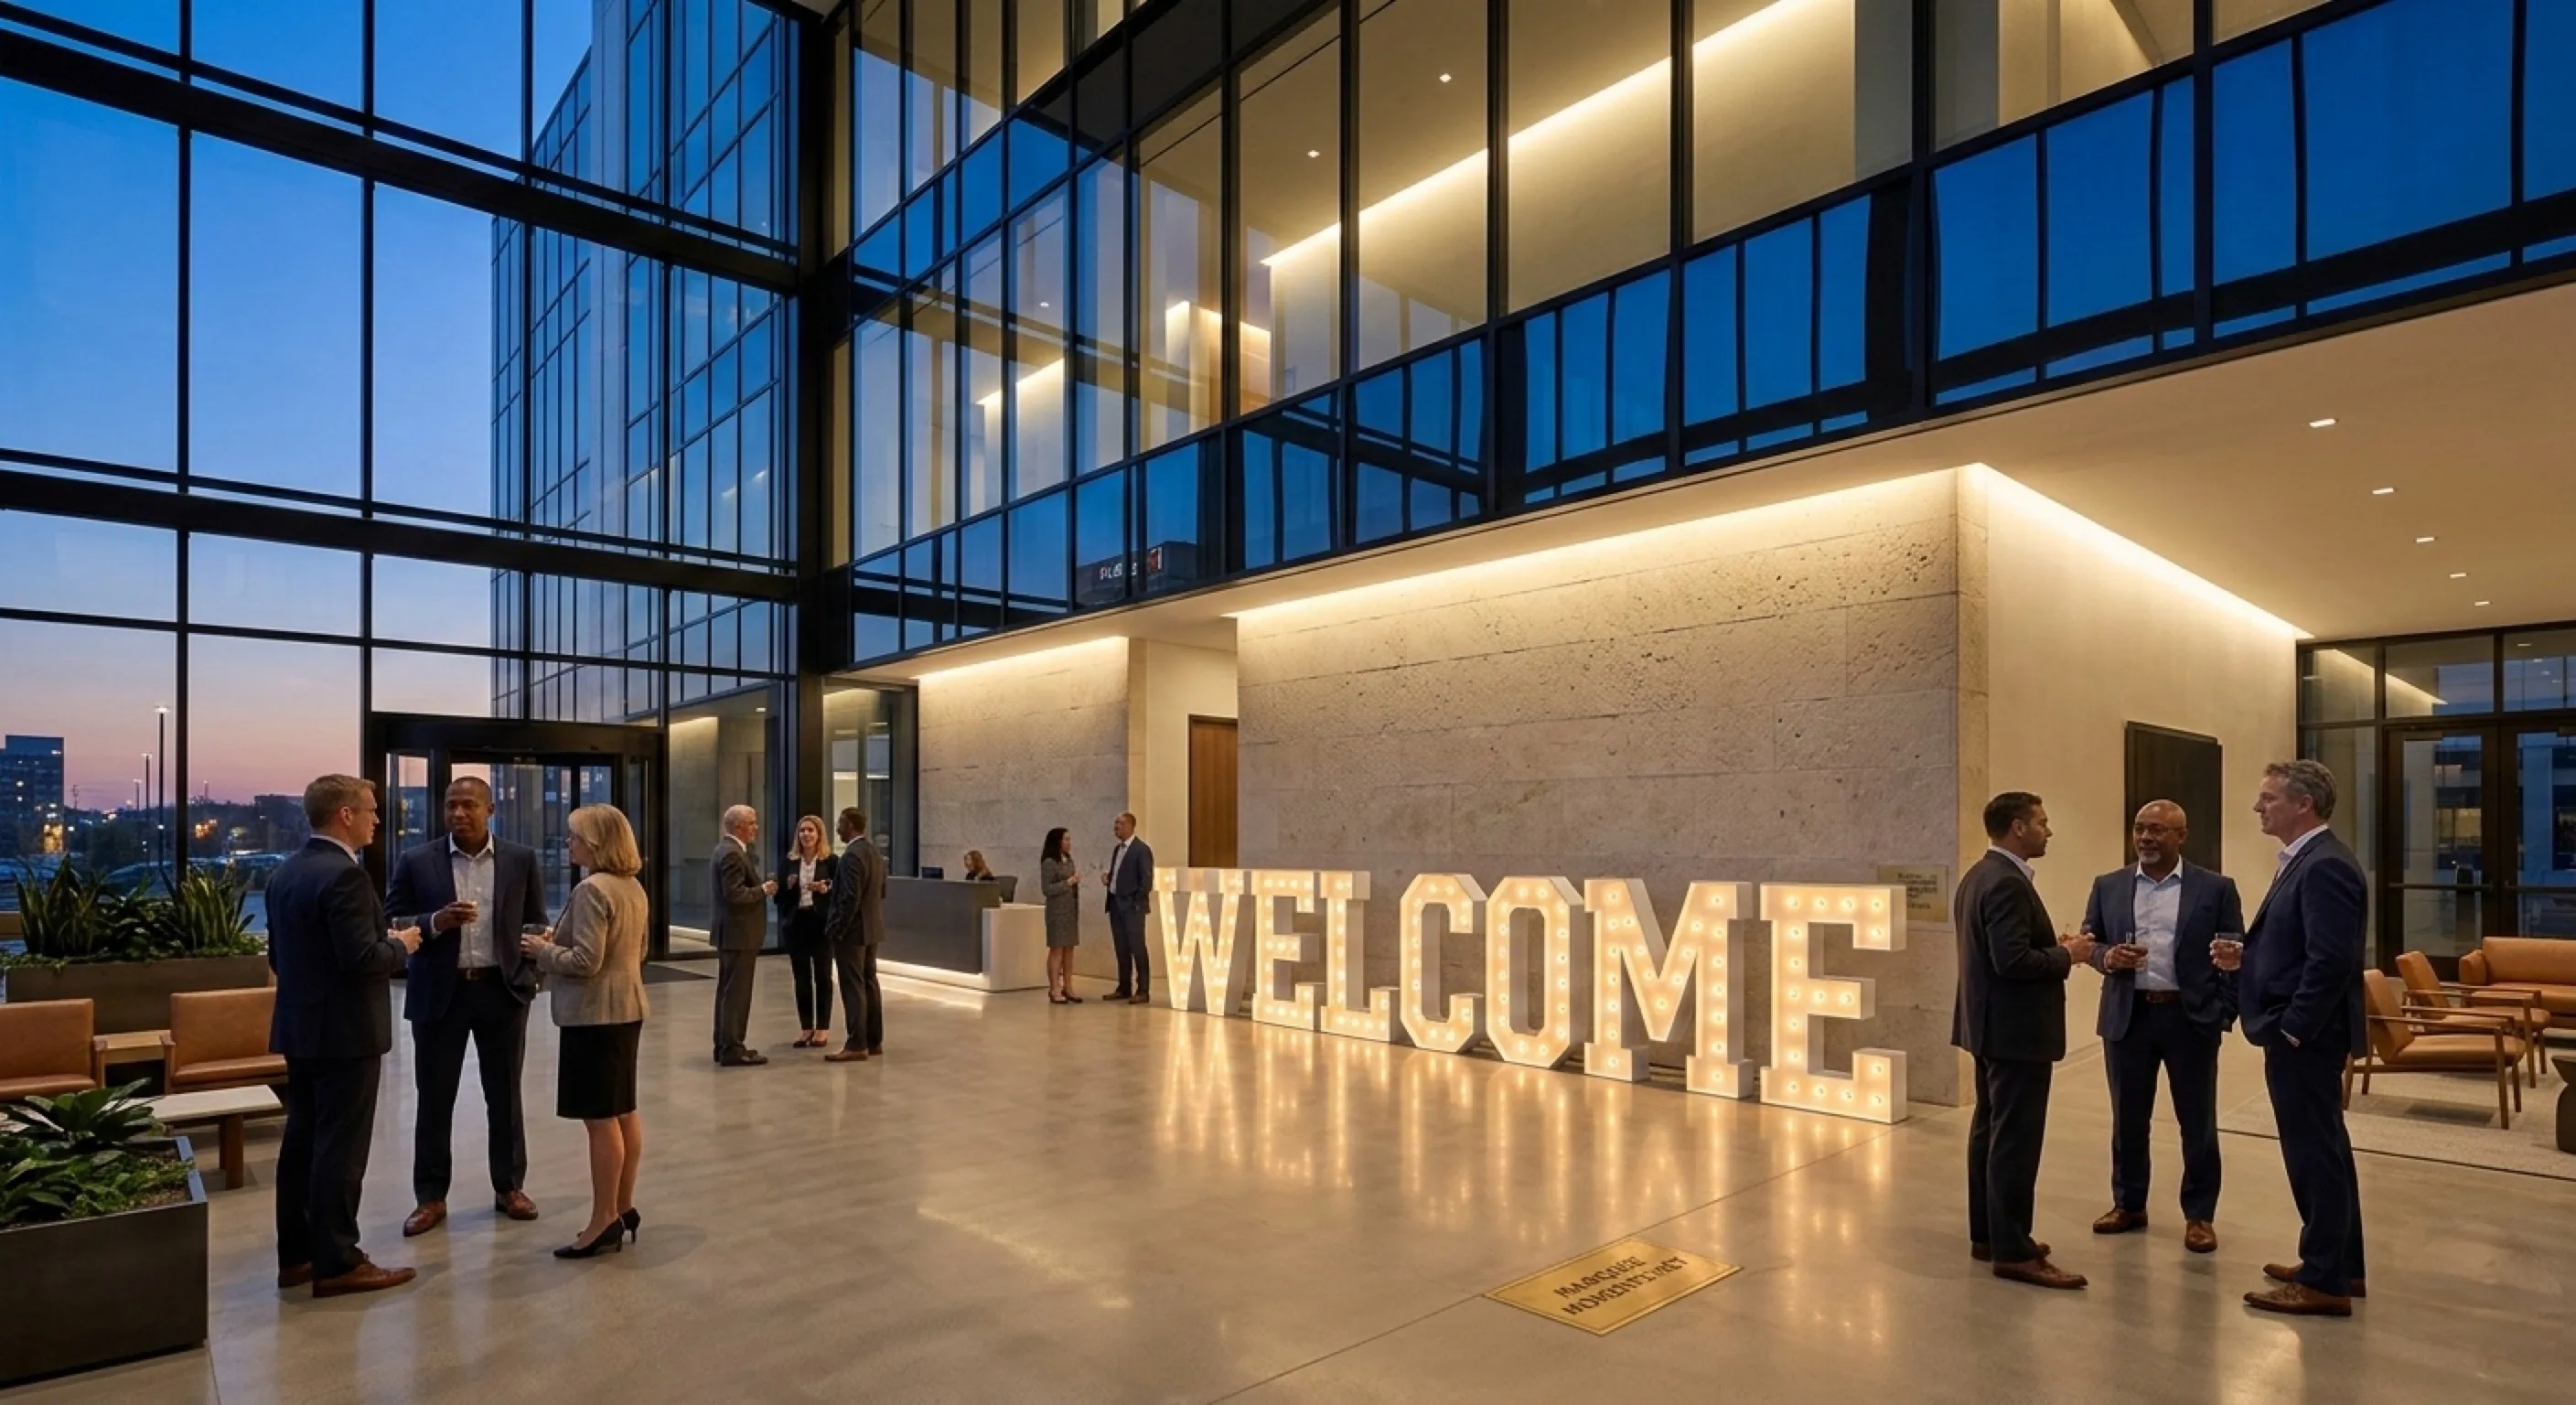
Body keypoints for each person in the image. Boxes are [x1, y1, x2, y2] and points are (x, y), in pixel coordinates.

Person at [264, 774, 423, 1298]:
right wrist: (402, 944)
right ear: (345, 815)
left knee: (303, 1142)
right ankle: (338, 1262)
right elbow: (363, 959)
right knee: (341, 1150)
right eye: (372, 810)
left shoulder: (285, 874)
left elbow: (278, 959)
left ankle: (298, 1257)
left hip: (300, 1030)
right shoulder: (346, 878)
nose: (379, 819)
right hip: (347, 1036)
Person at [2232, 759, 2369, 1317]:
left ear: (2302, 805)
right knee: (2325, 1149)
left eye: (2268, 798)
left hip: (2306, 1038)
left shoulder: (2324, 865)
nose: (2258, 807)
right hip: (2304, 1032)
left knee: (2314, 1153)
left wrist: (2293, 1029)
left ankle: (2324, 1281)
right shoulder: (2307, 859)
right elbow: (2298, 947)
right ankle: (2340, 1264)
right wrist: (2248, 958)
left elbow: (2330, 961)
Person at [386, 776, 549, 1239]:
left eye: (469, 805)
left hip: (501, 991)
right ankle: (430, 1197)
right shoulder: (417, 861)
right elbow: (390, 919)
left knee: (505, 1096)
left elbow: (537, 920)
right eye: (451, 805)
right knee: (435, 1099)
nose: (459, 813)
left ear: (490, 809)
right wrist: (434, 922)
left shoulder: (520, 859)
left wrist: (529, 976)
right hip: (441, 993)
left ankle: (509, 1187)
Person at [2079, 800, 2244, 1255]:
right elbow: (2089, 942)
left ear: (2181, 836)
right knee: (2128, 1118)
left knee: (2197, 1121)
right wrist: (2105, 958)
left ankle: (2199, 1215)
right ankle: (2129, 1203)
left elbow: (2233, 951)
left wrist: (2223, 1014)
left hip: (2189, 1018)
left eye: (2157, 830)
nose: (2146, 838)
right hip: (2128, 1016)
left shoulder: (2215, 888)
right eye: (2139, 829)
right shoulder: (2108, 885)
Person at [1951, 790, 2094, 1290]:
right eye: (2042, 822)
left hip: (1991, 1028)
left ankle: (1989, 1235)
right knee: (2014, 1140)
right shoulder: (2007, 883)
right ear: (2017, 828)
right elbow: (2012, 961)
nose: (2048, 831)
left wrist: (2053, 948)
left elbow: (1999, 954)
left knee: (1990, 1132)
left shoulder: (1978, 875)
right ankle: (2013, 1250)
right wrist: (2068, 955)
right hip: (2017, 1034)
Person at [520, 804, 650, 1260]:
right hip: (626, 1008)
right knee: (623, 1111)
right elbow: (639, 951)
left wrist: (543, 951)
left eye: (574, 837)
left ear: (594, 843)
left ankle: (602, 1221)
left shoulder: (592, 889)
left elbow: (584, 962)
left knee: (600, 1121)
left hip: (594, 1016)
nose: (568, 844)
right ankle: (622, 1205)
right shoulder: (632, 887)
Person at [710, 805, 775, 1067]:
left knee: (728, 992)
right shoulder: (733, 854)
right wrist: (763, 890)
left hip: (732, 933)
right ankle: (732, 1048)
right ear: (739, 826)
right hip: (739, 933)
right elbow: (735, 895)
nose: (756, 828)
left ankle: (726, 1044)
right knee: (737, 993)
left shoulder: (724, 850)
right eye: (752, 823)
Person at [824, 808, 886, 1063]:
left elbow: (850, 898)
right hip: (871, 929)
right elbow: (881, 892)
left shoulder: (851, 856)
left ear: (850, 826)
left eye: (840, 823)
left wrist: (837, 928)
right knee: (869, 983)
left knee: (853, 986)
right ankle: (873, 1041)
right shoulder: (874, 853)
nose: (837, 828)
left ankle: (856, 1043)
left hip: (852, 932)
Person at [777, 814, 837, 1048]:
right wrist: (788, 887)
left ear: (819, 834)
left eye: (811, 830)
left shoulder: (831, 861)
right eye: (802, 831)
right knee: (801, 977)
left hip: (820, 923)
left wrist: (825, 889)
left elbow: (839, 891)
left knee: (823, 976)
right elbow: (779, 898)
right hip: (796, 923)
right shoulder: (789, 861)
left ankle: (823, 1027)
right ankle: (806, 1028)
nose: (806, 835)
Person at [1101, 811, 1155, 1004]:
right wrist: (1109, 880)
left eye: (1121, 824)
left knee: (1137, 947)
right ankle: (1124, 987)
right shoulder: (1118, 850)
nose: (1117, 828)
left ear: (1132, 826)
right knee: (1121, 948)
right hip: (1115, 904)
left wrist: (1136, 901)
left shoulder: (1141, 850)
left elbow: (1146, 880)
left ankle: (1143, 989)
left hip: (1133, 906)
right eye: (1115, 824)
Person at [1038, 827, 1083, 1004]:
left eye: (1070, 840)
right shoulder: (1049, 862)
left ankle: (1069, 986)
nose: (1069, 843)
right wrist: (1068, 883)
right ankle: (1054, 987)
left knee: (1069, 949)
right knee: (1057, 949)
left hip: (1070, 910)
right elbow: (1047, 889)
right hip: (1057, 911)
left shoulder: (1069, 859)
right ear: (1057, 842)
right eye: (1066, 840)